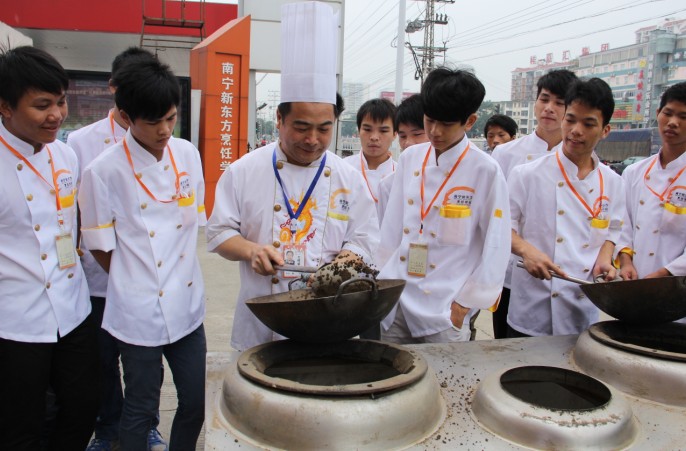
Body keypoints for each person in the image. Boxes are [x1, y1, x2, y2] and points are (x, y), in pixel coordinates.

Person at [206, 1, 379, 352]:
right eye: (301, 127)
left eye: (323, 128)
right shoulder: (244, 171)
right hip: (261, 321)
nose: (312, 140)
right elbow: (218, 232)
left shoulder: (348, 176)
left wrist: (349, 257)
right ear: (280, 121)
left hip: (331, 315)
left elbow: (364, 237)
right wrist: (250, 249)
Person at [78, 57, 206, 450]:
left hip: (186, 303)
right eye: (153, 122)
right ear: (126, 117)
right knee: (139, 407)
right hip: (138, 314)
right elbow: (100, 248)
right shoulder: (102, 171)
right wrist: (137, 282)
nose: (165, 130)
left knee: (195, 403)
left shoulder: (186, 154)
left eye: (171, 118)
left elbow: (192, 225)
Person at [67, 47, 168, 451]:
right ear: (115, 90)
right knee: (103, 362)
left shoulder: (164, 141)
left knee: (146, 364)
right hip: (99, 278)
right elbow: (74, 202)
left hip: (147, 279)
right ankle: (107, 429)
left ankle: (147, 427)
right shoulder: (81, 141)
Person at [0, 45, 99, 450]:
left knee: (81, 409)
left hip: (72, 310)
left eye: (60, 101)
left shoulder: (65, 154)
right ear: (5, 107)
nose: (56, 114)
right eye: (42, 105)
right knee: (19, 424)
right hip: (15, 321)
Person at [376, 67, 511, 344]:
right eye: (430, 120)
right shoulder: (411, 159)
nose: (435, 132)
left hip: (444, 305)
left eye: (446, 124)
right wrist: (382, 281)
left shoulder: (485, 170)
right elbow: (392, 227)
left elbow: (496, 243)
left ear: (470, 121)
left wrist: (465, 304)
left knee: (444, 381)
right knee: (391, 375)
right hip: (398, 296)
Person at [507, 78, 627, 337]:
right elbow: (502, 228)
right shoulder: (527, 174)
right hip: (532, 307)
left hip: (581, 305)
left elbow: (614, 230)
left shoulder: (613, 182)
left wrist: (606, 258)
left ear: (605, 130)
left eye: (588, 123)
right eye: (571, 120)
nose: (576, 130)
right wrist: (527, 251)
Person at [490, 69, 578, 339]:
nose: (549, 108)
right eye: (544, 99)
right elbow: (494, 214)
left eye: (559, 103)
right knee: (506, 346)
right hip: (508, 273)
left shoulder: (580, 158)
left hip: (564, 275)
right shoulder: (505, 153)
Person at [617, 82, 686, 325]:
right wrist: (625, 261)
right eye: (668, 113)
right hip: (634, 287)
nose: (673, 122)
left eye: (683, 116)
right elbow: (622, 224)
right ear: (658, 114)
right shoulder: (634, 173)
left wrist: (664, 275)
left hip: (679, 295)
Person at [345, 98, 397, 217]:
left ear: (395, 134)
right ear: (359, 130)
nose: (374, 137)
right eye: (367, 129)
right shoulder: (343, 169)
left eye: (383, 131)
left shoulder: (401, 174)